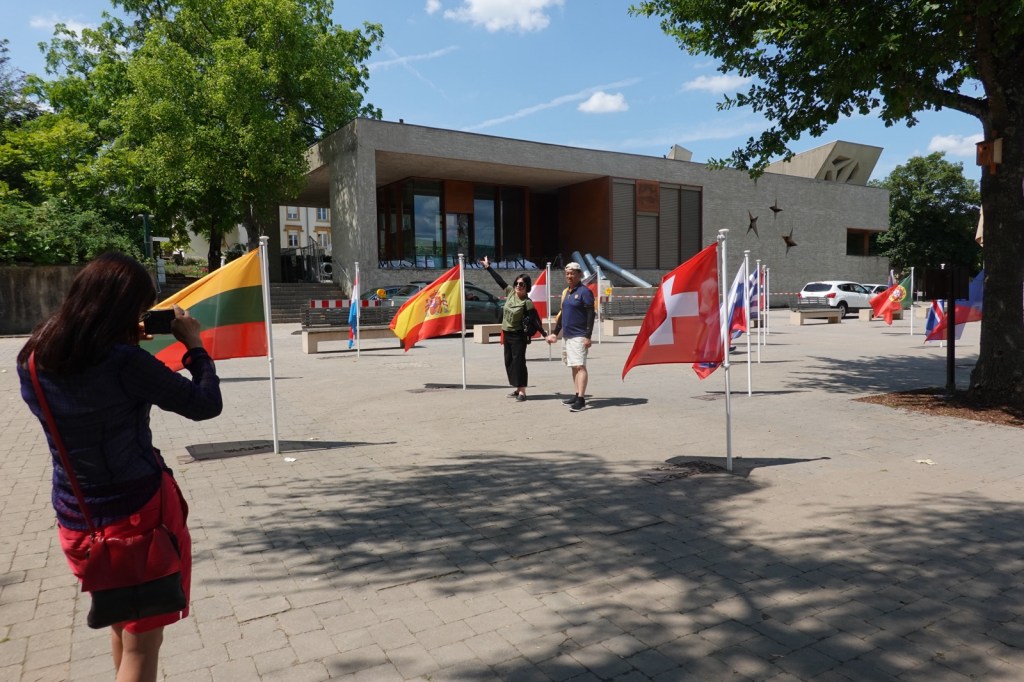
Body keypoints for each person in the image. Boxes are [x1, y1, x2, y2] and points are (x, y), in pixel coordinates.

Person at [17, 253, 222, 682]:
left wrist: (124, 341)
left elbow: (90, 391)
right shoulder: (124, 363)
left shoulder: (34, 355)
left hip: (77, 518)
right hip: (137, 519)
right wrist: (195, 347)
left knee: (123, 620)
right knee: (143, 646)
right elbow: (205, 405)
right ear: (124, 309)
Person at [480, 255, 542, 401]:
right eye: (517, 283)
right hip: (507, 334)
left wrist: (545, 335)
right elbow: (499, 280)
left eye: (522, 284)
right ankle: (517, 388)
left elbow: (535, 320)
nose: (518, 286)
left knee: (519, 363)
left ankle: (522, 391)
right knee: (509, 362)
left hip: (518, 336)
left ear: (527, 287)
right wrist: (488, 267)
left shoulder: (527, 302)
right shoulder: (510, 293)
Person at [546, 262, 595, 412]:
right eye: (567, 273)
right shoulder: (566, 292)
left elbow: (591, 314)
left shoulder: (585, 292)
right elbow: (563, 315)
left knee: (580, 366)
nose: (569, 276)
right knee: (573, 366)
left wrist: (588, 336)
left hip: (579, 336)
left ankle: (581, 400)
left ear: (579, 274)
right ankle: (577, 394)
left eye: (572, 273)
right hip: (567, 336)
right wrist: (555, 333)